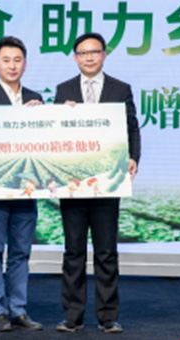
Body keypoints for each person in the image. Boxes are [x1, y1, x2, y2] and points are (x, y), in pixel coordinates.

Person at [54, 32, 141, 334]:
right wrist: (60, 116)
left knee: (106, 252)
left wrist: (133, 158)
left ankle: (108, 316)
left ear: (104, 55)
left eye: (94, 52)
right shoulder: (64, 90)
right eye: (83, 53)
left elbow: (132, 127)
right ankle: (72, 316)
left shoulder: (120, 88)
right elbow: (55, 135)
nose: (89, 57)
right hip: (73, 183)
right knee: (73, 251)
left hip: (107, 181)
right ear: (75, 57)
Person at [0, 36, 44, 332]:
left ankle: (18, 310)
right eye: (6, 60)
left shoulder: (36, 98)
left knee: (20, 252)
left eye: (17, 60)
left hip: (27, 187)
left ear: (24, 64)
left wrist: (43, 117)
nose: (12, 66)